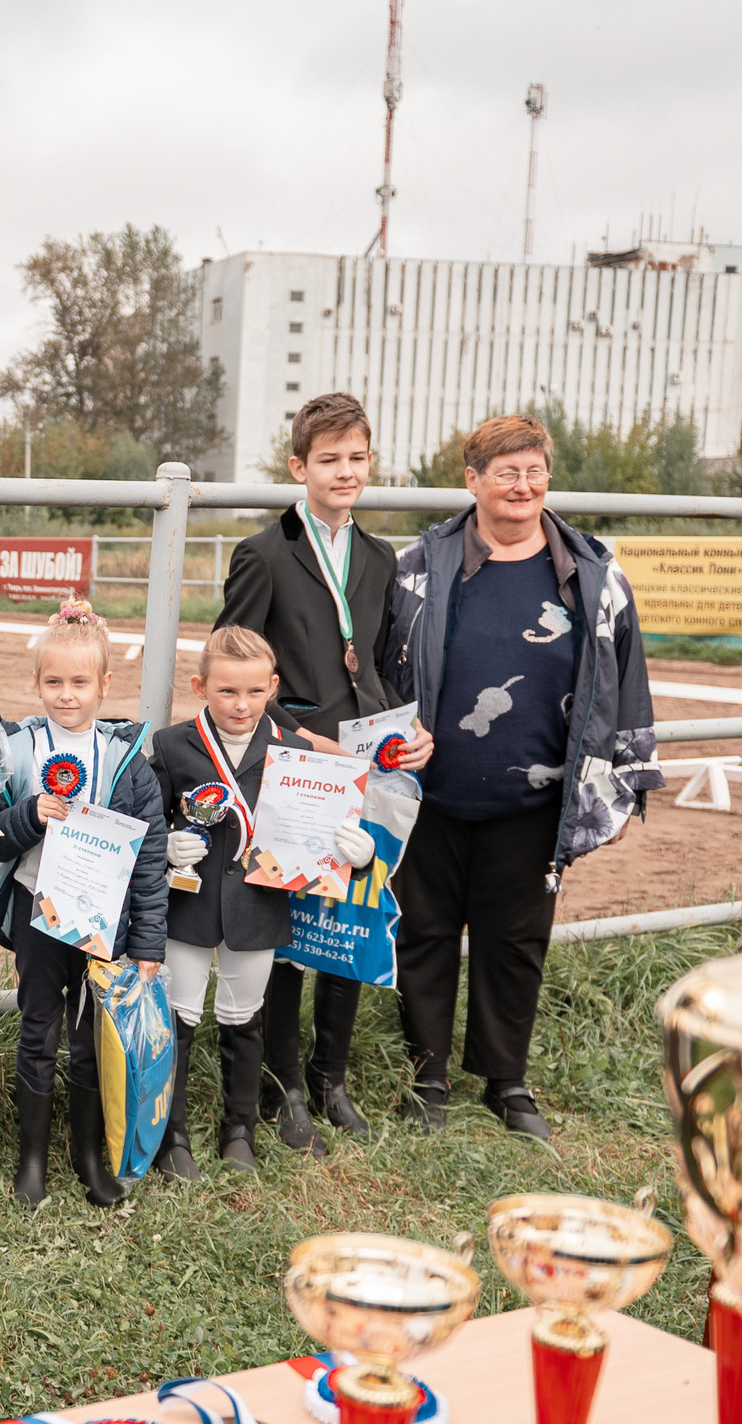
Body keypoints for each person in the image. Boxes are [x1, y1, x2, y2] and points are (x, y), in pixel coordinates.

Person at [381, 414, 659, 1139]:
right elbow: (384, 669)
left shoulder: (594, 575)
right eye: (506, 472)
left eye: (534, 471)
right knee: (424, 932)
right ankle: (427, 1076)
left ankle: (506, 1081)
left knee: (516, 938)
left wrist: (628, 774)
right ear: (471, 481)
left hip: (534, 795)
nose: (522, 486)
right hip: (429, 791)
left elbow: (627, 676)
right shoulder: (420, 565)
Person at [216, 392, 434, 1150]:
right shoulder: (263, 554)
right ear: (298, 467)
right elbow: (233, 668)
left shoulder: (380, 558)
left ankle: (330, 1077)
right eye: (330, 459)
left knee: (353, 921)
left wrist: (409, 736)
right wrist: (299, 737)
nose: (346, 472)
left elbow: (378, 668)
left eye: (358, 458)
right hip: (296, 766)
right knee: (290, 931)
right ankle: (280, 1089)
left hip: (365, 768)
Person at [149, 627, 374, 1178]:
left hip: (258, 907)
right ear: (200, 686)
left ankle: (239, 1131)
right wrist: (163, 846)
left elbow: (325, 834)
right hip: (190, 906)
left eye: (254, 692)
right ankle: (171, 1137)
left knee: (243, 1019)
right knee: (178, 1020)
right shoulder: (173, 745)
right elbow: (148, 818)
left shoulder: (296, 752)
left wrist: (358, 854)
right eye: (226, 692)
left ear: (272, 687)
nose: (241, 705)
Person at [0, 603, 168, 1206]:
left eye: (80, 682)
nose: (66, 695)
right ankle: (31, 1161)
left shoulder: (127, 761)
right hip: (38, 913)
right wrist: (29, 816)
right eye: (53, 682)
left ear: (106, 685)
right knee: (38, 1029)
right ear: (37, 684)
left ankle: (86, 1155)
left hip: (105, 923)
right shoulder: (18, 751)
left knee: (87, 1038)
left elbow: (151, 853)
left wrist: (150, 942)